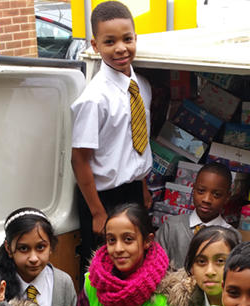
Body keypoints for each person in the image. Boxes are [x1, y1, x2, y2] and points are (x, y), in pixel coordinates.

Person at [71, 0, 153, 270]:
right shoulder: (94, 99)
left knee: (136, 265)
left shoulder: (142, 86)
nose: (120, 48)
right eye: (109, 42)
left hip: (133, 190)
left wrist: (142, 188)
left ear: (135, 38)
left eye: (127, 39)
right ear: (95, 46)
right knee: (103, 270)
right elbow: (79, 160)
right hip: (102, 197)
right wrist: (97, 212)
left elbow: (135, 144)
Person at [156, 162, 234, 268]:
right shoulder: (171, 227)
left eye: (216, 194)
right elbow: (154, 265)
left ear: (227, 197)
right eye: (201, 191)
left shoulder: (231, 236)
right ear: (193, 190)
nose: (206, 199)